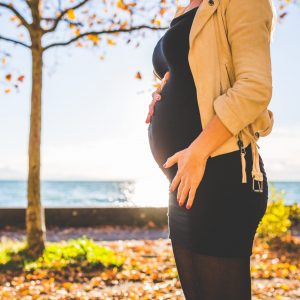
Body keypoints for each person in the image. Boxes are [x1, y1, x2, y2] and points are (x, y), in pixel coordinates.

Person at [146, 0, 276, 299]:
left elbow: (254, 87)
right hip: (183, 181)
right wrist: (160, 92)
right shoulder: (186, 9)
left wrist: (198, 151)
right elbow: (193, 75)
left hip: (222, 173)